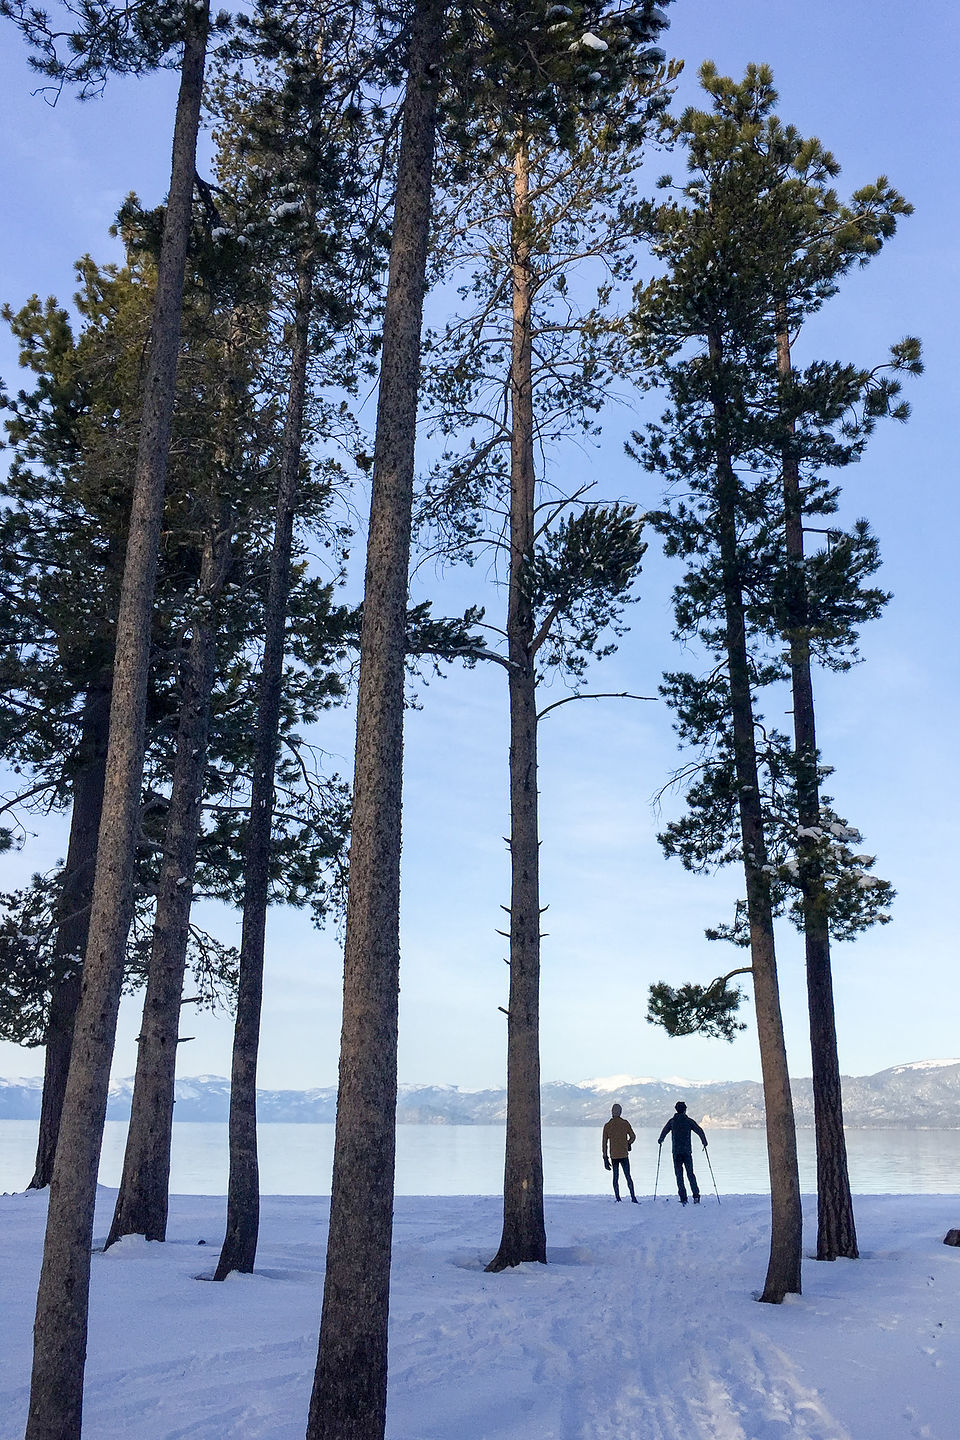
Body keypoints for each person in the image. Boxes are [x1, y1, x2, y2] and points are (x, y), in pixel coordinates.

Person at [658, 1100, 707, 1205]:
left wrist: (660, 1140)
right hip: (687, 1152)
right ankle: (696, 1196)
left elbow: (664, 1131)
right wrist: (704, 1142)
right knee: (690, 1174)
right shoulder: (688, 1121)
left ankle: (683, 1198)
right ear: (685, 1110)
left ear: (676, 1110)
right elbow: (699, 1130)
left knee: (679, 1175)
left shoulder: (672, 1121)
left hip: (676, 1152)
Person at [602, 1103, 638, 1202]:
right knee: (628, 1176)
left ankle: (618, 1198)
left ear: (612, 1112)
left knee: (615, 1177)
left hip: (614, 1155)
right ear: (620, 1112)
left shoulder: (607, 1126)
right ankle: (633, 1197)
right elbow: (633, 1136)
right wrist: (628, 1143)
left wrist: (605, 1157)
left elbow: (604, 1143)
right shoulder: (625, 1123)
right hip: (624, 1154)